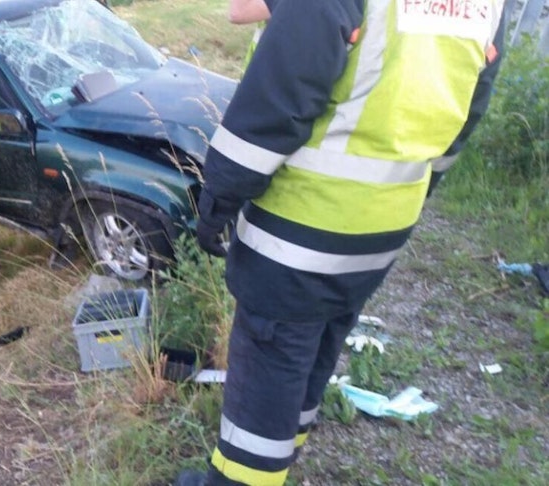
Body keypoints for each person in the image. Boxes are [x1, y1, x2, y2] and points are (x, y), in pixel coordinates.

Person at [177, 1, 507, 485]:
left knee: (272, 364)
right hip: (387, 225)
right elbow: (471, 103)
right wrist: (420, 185)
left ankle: (238, 479)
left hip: (301, 227)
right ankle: (279, 457)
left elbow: (277, 103)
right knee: (318, 345)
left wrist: (218, 201)